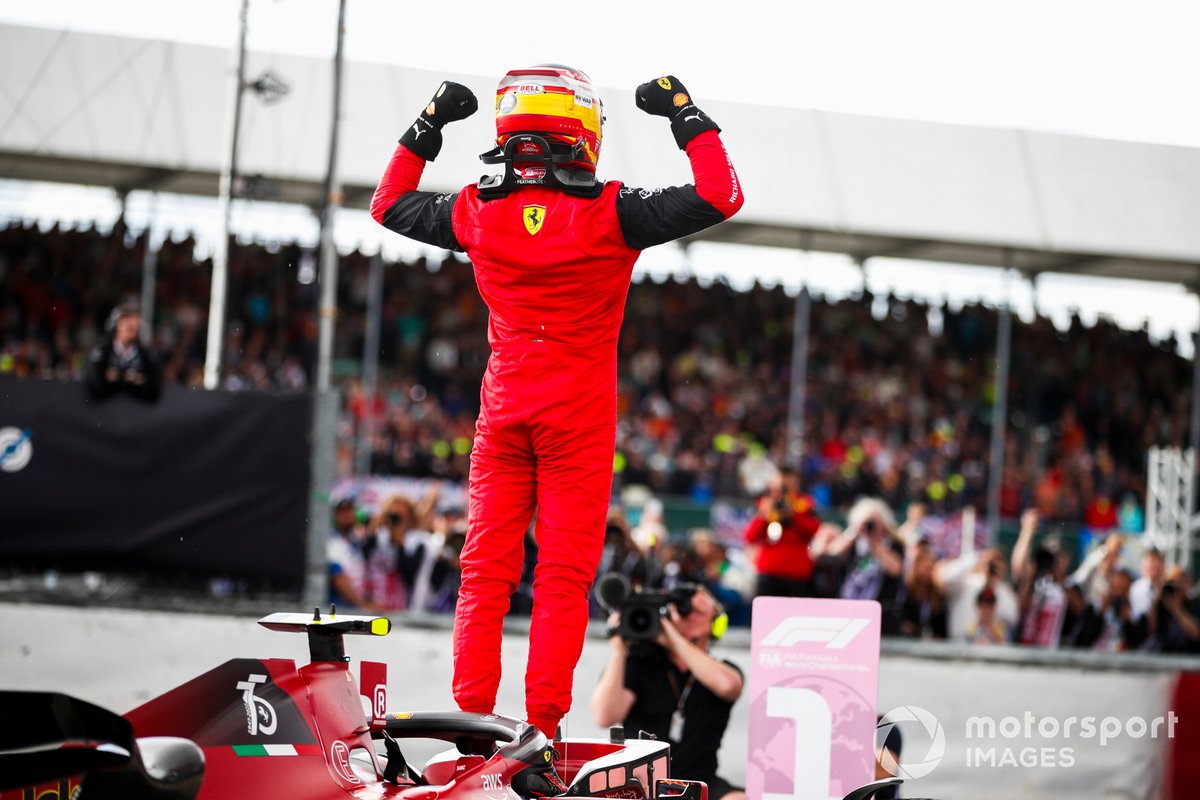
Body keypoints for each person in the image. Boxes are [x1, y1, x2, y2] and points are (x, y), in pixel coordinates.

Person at [371, 66, 743, 795]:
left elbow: (387, 205)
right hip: (577, 421)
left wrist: (430, 121)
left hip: (503, 413)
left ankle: (471, 730)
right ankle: (541, 732)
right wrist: (684, 113)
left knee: (483, 575)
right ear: (583, 131)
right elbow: (720, 193)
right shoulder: (613, 211)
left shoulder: (476, 210)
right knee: (563, 581)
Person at [591, 586, 745, 800]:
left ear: (716, 623)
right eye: (682, 610)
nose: (689, 616)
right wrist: (619, 651)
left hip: (700, 780)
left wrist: (673, 639)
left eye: (698, 611)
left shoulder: (722, 669)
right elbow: (605, 715)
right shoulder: (640, 665)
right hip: (640, 783)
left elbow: (728, 686)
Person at [743, 467, 821, 598]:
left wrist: (793, 515)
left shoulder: (804, 504)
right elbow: (750, 536)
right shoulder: (766, 504)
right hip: (769, 570)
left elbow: (814, 530)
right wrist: (764, 514)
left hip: (797, 572)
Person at [85, 302, 161, 401]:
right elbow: (96, 386)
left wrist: (117, 377)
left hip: (137, 412)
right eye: (127, 322)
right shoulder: (102, 351)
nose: (133, 326)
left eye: (136, 324)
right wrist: (131, 379)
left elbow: (154, 390)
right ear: (116, 324)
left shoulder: (145, 354)